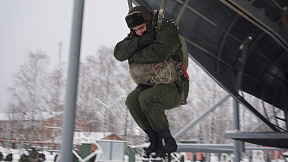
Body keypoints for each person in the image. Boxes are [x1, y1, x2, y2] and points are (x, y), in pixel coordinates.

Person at [114, 6, 189, 158]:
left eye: (141, 28)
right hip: (150, 84)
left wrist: (134, 56)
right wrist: (140, 42)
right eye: (135, 30)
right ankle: (154, 140)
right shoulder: (137, 35)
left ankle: (168, 141)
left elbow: (161, 51)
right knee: (131, 100)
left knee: (146, 98)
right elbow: (119, 52)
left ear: (148, 20)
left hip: (173, 86)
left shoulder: (167, 28)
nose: (138, 32)